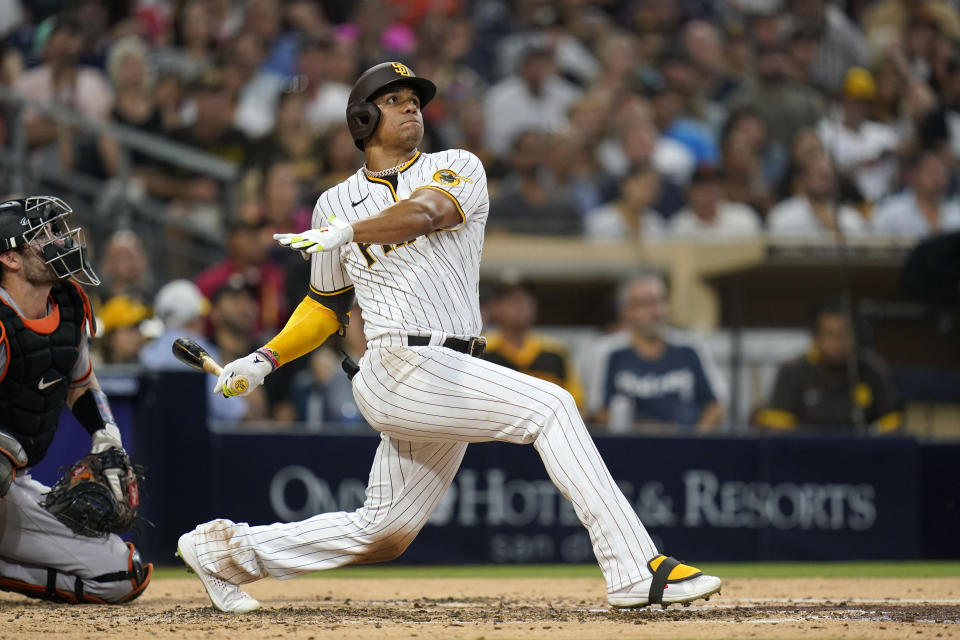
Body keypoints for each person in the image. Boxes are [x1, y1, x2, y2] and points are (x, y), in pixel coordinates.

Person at [175, 61, 720, 613]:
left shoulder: (455, 166)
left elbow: (428, 213)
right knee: (551, 405)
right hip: (397, 366)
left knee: (384, 531)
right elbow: (324, 306)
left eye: (415, 98)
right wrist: (264, 359)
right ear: (362, 117)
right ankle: (634, 568)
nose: (412, 105)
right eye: (394, 99)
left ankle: (221, 553)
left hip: (452, 370)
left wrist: (351, 232)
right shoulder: (333, 204)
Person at [0, 196, 151, 603]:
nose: (61, 241)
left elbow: (80, 384)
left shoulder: (66, 303)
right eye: (43, 235)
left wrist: (107, 435)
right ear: (10, 259)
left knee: (121, 575)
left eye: (58, 231)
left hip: (9, 487)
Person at [589, 272, 726, 434]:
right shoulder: (610, 352)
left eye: (661, 301)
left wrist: (695, 442)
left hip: (687, 447)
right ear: (626, 312)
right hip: (630, 449)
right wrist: (648, 432)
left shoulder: (690, 348)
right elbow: (598, 412)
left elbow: (716, 405)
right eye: (645, 304)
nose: (656, 311)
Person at [753, 300, 902, 434]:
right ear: (815, 338)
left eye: (845, 333)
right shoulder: (793, 372)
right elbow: (776, 432)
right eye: (830, 335)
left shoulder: (873, 371)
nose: (839, 342)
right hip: (804, 457)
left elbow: (893, 432)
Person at [481, 280, 584, 409]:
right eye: (512, 300)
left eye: (527, 299)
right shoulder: (482, 350)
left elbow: (576, 405)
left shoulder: (556, 352)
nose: (521, 306)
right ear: (495, 308)